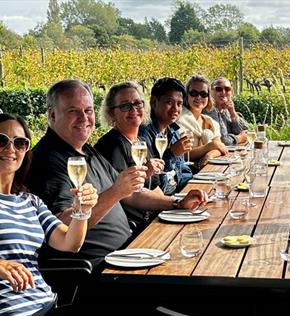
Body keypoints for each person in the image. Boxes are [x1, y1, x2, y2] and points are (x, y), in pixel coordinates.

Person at [27, 79, 206, 268]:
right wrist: (116, 192)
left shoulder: (86, 150)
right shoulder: (48, 160)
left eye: (88, 111)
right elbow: (63, 227)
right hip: (98, 269)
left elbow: (130, 195)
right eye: (73, 111)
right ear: (52, 115)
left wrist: (177, 203)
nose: (84, 118)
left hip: (127, 251)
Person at [0, 113, 97, 316]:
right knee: (138, 310)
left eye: (20, 143)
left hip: (48, 310)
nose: (11, 149)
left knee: (134, 304)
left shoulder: (30, 202)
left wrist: (81, 211)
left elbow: (70, 243)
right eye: (1, 140)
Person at [95, 81, 171, 230]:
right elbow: (127, 196)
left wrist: (172, 204)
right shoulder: (112, 145)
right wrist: (175, 203)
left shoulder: (140, 142)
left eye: (138, 104)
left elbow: (155, 188)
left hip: (151, 220)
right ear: (112, 113)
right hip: (133, 228)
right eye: (125, 106)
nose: (134, 109)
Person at [139, 77, 194, 193]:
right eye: (169, 102)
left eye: (179, 104)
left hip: (177, 195)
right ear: (153, 102)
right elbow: (151, 180)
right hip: (159, 202)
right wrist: (172, 153)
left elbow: (183, 171)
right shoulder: (143, 134)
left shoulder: (173, 131)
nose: (175, 109)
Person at [177, 75, 227, 168]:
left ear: (208, 97)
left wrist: (209, 155)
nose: (199, 97)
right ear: (186, 95)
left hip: (209, 170)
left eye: (203, 94)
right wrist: (210, 146)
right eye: (194, 93)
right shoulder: (179, 120)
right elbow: (182, 155)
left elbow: (221, 148)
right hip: (187, 173)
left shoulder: (211, 122)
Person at [203, 77, 248, 146]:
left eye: (227, 89)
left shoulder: (226, 110)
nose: (223, 92)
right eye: (219, 89)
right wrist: (239, 138)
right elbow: (222, 141)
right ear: (211, 91)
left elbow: (245, 132)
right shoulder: (209, 111)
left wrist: (233, 113)